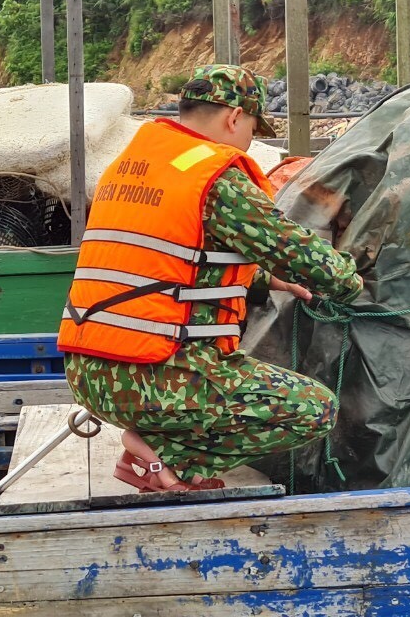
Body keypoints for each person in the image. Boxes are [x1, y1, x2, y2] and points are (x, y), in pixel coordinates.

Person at [58, 64, 364, 492]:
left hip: (88, 371)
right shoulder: (215, 177)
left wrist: (262, 280)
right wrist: (353, 279)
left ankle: (154, 460)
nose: (249, 141)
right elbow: (311, 260)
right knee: (314, 409)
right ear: (235, 117)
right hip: (154, 374)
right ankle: (161, 456)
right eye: (253, 128)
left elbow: (165, 260)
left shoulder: (134, 164)